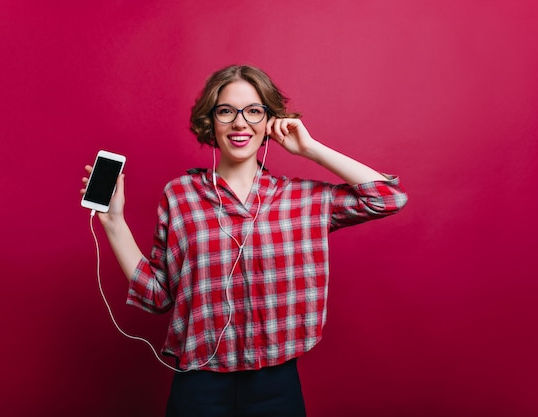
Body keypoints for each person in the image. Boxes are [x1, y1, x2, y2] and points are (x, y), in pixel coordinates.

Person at [81, 65, 407, 416]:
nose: (240, 123)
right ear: (212, 121)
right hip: (198, 385)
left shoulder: (299, 198)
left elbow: (387, 197)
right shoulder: (180, 195)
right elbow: (158, 294)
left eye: (253, 111)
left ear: (270, 121)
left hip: (275, 385)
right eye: (226, 111)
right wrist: (114, 222)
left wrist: (309, 149)